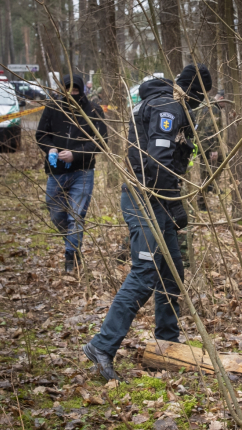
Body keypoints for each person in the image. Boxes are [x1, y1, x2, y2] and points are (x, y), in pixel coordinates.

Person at [83, 64, 212, 382]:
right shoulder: (167, 107)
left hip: (158, 200)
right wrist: (174, 203)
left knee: (172, 270)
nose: (198, 103)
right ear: (194, 91)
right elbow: (156, 163)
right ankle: (102, 345)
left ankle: (166, 342)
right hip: (146, 199)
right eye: (200, 96)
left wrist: (172, 203)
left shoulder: (165, 103)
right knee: (145, 272)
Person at [36, 75, 108, 273]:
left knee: (76, 215)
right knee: (56, 213)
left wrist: (76, 154)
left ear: (81, 90)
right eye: (68, 91)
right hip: (56, 172)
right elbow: (41, 134)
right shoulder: (53, 107)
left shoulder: (93, 110)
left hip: (82, 171)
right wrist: (50, 148)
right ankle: (72, 242)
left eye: (75, 91)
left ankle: (71, 258)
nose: (72, 94)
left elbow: (102, 140)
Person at [193, 90, 225, 210]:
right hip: (206, 146)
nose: (225, 106)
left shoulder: (205, 104)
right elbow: (209, 130)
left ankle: (212, 184)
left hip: (201, 144)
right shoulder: (214, 108)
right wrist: (213, 149)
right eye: (224, 103)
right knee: (205, 174)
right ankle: (202, 203)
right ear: (221, 98)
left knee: (223, 158)